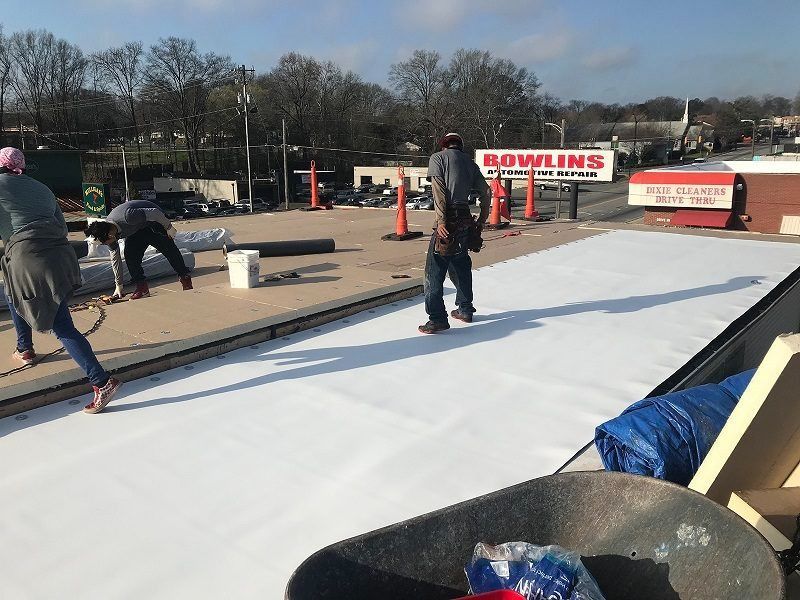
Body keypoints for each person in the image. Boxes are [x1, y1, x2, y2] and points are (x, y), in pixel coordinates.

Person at [0, 147, 121, 413]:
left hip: (29, 256)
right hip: (59, 254)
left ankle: (101, 381)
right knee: (12, 293)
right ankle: (25, 348)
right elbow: (63, 227)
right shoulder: (41, 187)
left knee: (61, 324)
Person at [419, 133, 490, 334]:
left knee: (433, 273)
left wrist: (441, 220)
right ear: (460, 146)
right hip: (466, 220)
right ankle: (465, 309)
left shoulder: (437, 158)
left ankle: (437, 318)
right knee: (461, 265)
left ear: (444, 146)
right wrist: (482, 219)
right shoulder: (470, 163)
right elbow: (486, 192)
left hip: (448, 220)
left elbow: (439, 191)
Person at [84, 199, 192, 300]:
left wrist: (169, 227)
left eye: (105, 242)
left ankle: (185, 277)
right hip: (136, 229)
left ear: (110, 235)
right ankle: (142, 287)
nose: (109, 244)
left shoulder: (128, 217)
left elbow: (155, 213)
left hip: (154, 221)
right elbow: (115, 260)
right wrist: (119, 285)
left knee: (170, 250)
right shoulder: (108, 235)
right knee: (130, 256)